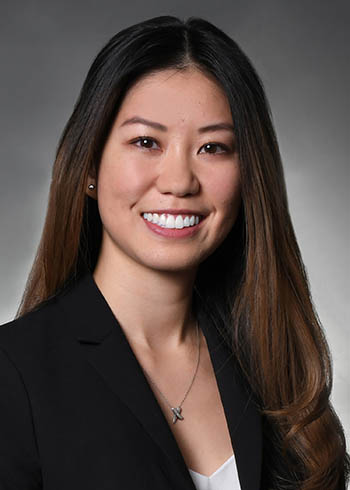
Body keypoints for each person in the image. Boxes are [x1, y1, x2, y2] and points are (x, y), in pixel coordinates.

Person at [0, 15, 348, 490]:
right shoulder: (14, 372)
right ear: (90, 166)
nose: (180, 181)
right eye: (146, 142)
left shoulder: (271, 365)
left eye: (213, 147)